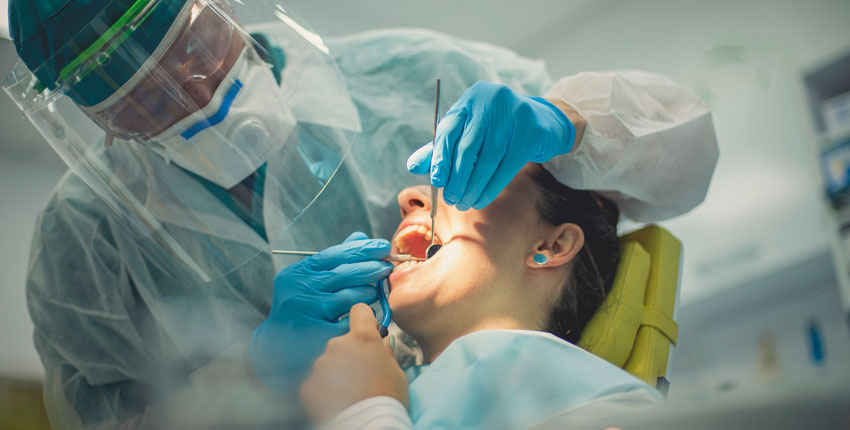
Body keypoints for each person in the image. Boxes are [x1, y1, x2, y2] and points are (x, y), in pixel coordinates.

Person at [4, 0, 718, 427]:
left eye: (190, 48)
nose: (187, 92)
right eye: (141, 98)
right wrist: (255, 373)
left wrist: (565, 123)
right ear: (89, 114)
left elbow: (679, 155)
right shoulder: (89, 241)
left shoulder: (400, 75)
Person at [301, 164, 657, 429]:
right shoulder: (389, 383)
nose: (408, 197)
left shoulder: (596, 401)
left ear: (551, 246)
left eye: (470, 176)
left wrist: (366, 413)